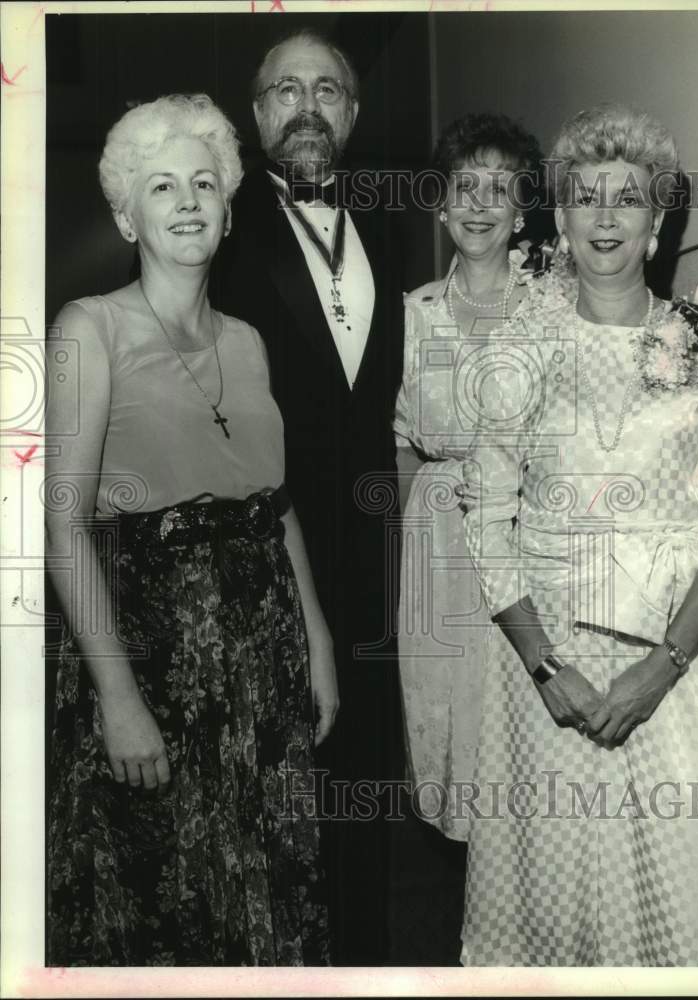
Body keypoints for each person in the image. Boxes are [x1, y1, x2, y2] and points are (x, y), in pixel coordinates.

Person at [45, 94, 337, 966]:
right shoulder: (88, 329)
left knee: (269, 894)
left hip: (263, 649)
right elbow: (61, 529)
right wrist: (118, 697)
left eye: (204, 183)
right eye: (160, 185)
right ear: (125, 214)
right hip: (150, 655)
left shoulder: (247, 341)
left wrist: (316, 641)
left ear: (228, 206)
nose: (185, 201)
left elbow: (272, 505)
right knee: (162, 907)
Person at [461, 103, 698, 966]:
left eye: (628, 198)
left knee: (668, 893)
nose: (606, 216)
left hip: (676, 665)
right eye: (586, 197)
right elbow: (484, 511)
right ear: (561, 217)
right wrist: (545, 663)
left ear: (657, 222)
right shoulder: (518, 342)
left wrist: (663, 665)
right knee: (549, 902)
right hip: (548, 672)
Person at [211, 29, 404, 965]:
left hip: (377, 550)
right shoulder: (217, 224)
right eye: (285, 90)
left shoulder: (395, 221)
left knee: (364, 772)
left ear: (354, 114)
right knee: (270, 786)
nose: (307, 107)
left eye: (328, 90)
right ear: (256, 115)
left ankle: (362, 958)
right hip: (263, 542)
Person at [395, 113, 542, 842]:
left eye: (499, 189)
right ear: (440, 203)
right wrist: (402, 556)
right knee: (454, 724)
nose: (479, 205)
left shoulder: (553, 306)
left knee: (526, 722)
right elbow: (395, 444)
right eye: (464, 187)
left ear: (521, 212)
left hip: (527, 538)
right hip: (437, 544)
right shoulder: (411, 317)